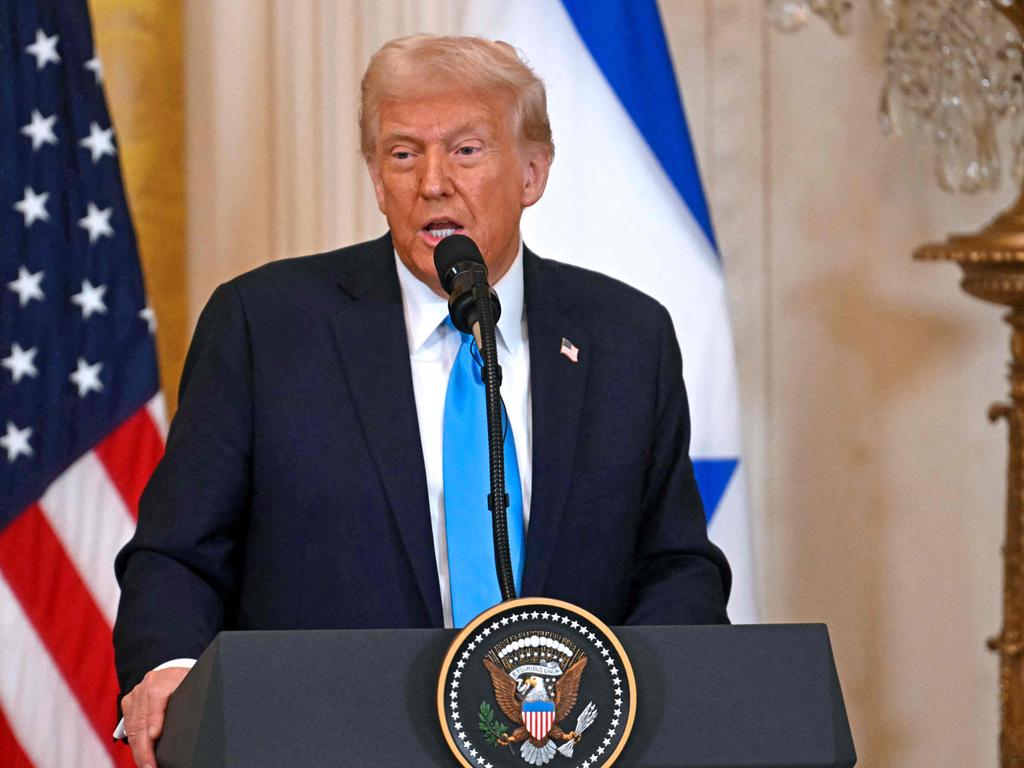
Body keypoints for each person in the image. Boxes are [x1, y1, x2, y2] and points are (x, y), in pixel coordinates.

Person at [113, 34, 731, 768]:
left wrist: (634, 709)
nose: (431, 182)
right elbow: (177, 555)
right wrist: (173, 674)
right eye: (403, 154)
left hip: (562, 748)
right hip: (321, 745)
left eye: (466, 151)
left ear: (533, 172)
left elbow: (677, 567)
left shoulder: (626, 336)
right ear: (376, 179)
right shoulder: (267, 326)